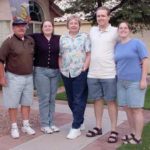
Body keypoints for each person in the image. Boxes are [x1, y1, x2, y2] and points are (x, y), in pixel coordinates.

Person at [86, 6, 118, 143]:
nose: (100, 18)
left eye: (103, 16)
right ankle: (98, 127)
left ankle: (114, 130)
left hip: (109, 73)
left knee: (111, 101)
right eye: (98, 16)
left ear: (109, 17)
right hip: (93, 73)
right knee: (97, 100)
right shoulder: (92, 30)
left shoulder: (115, 31)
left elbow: (126, 45)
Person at [0, 17, 35, 139]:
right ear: (13, 28)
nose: (21, 28)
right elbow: (0, 60)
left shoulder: (30, 40)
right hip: (13, 77)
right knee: (13, 104)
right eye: (18, 26)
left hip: (28, 77)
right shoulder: (8, 42)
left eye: (23, 26)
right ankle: (14, 127)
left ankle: (25, 125)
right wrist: (1, 77)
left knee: (26, 102)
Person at [115, 21, 149, 144]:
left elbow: (145, 60)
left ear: (129, 30)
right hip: (121, 82)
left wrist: (143, 79)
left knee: (136, 110)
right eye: (121, 28)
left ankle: (138, 138)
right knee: (127, 109)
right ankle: (133, 133)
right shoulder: (117, 45)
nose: (123, 30)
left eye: (125, 28)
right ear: (118, 30)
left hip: (135, 81)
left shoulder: (137, 43)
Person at [59, 15, 91, 139]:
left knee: (78, 99)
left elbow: (88, 54)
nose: (73, 25)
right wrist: (61, 68)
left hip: (80, 71)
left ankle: (75, 127)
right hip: (66, 71)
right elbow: (60, 55)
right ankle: (80, 120)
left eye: (75, 23)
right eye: (71, 23)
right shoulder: (62, 38)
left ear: (79, 25)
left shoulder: (84, 37)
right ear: (68, 25)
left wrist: (85, 67)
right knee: (70, 99)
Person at [31, 20, 60, 134]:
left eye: (49, 26)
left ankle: (51, 123)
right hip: (41, 71)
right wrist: (11, 35)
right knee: (44, 99)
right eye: (45, 26)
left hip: (55, 72)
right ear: (42, 28)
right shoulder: (36, 37)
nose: (47, 27)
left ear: (52, 28)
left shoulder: (58, 39)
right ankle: (44, 124)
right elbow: (21, 35)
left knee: (52, 99)